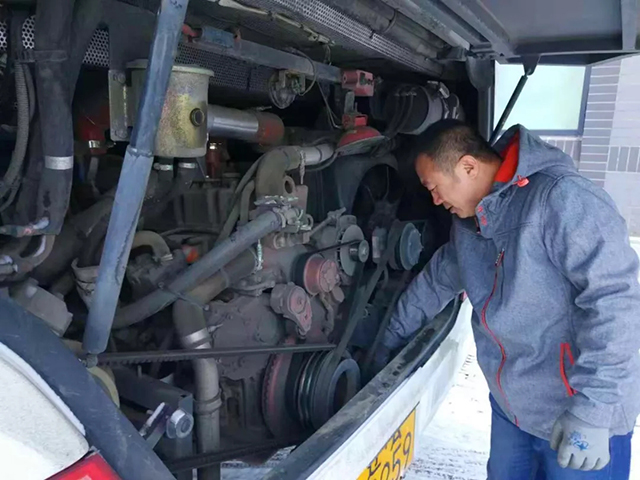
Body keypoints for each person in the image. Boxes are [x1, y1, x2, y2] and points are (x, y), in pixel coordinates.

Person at [376, 120, 640, 479]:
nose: (435, 200)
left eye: (434, 187)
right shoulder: (471, 223)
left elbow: (616, 302)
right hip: (511, 412)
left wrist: (593, 411)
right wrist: (386, 344)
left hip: (575, 415)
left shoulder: (562, 199)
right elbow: (435, 283)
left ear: (468, 167)